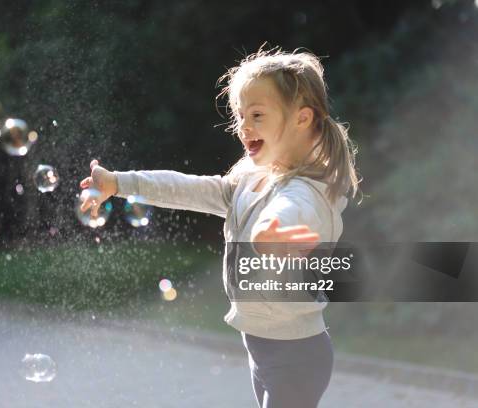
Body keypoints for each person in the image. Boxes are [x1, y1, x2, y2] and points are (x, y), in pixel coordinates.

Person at [79, 46, 361, 408]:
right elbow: (188, 188)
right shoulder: (249, 181)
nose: (244, 127)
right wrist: (120, 182)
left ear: (302, 119)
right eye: (241, 116)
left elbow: (293, 211)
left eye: (257, 115)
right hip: (262, 348)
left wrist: (273, 231)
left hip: (296, 357)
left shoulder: (308, 189)